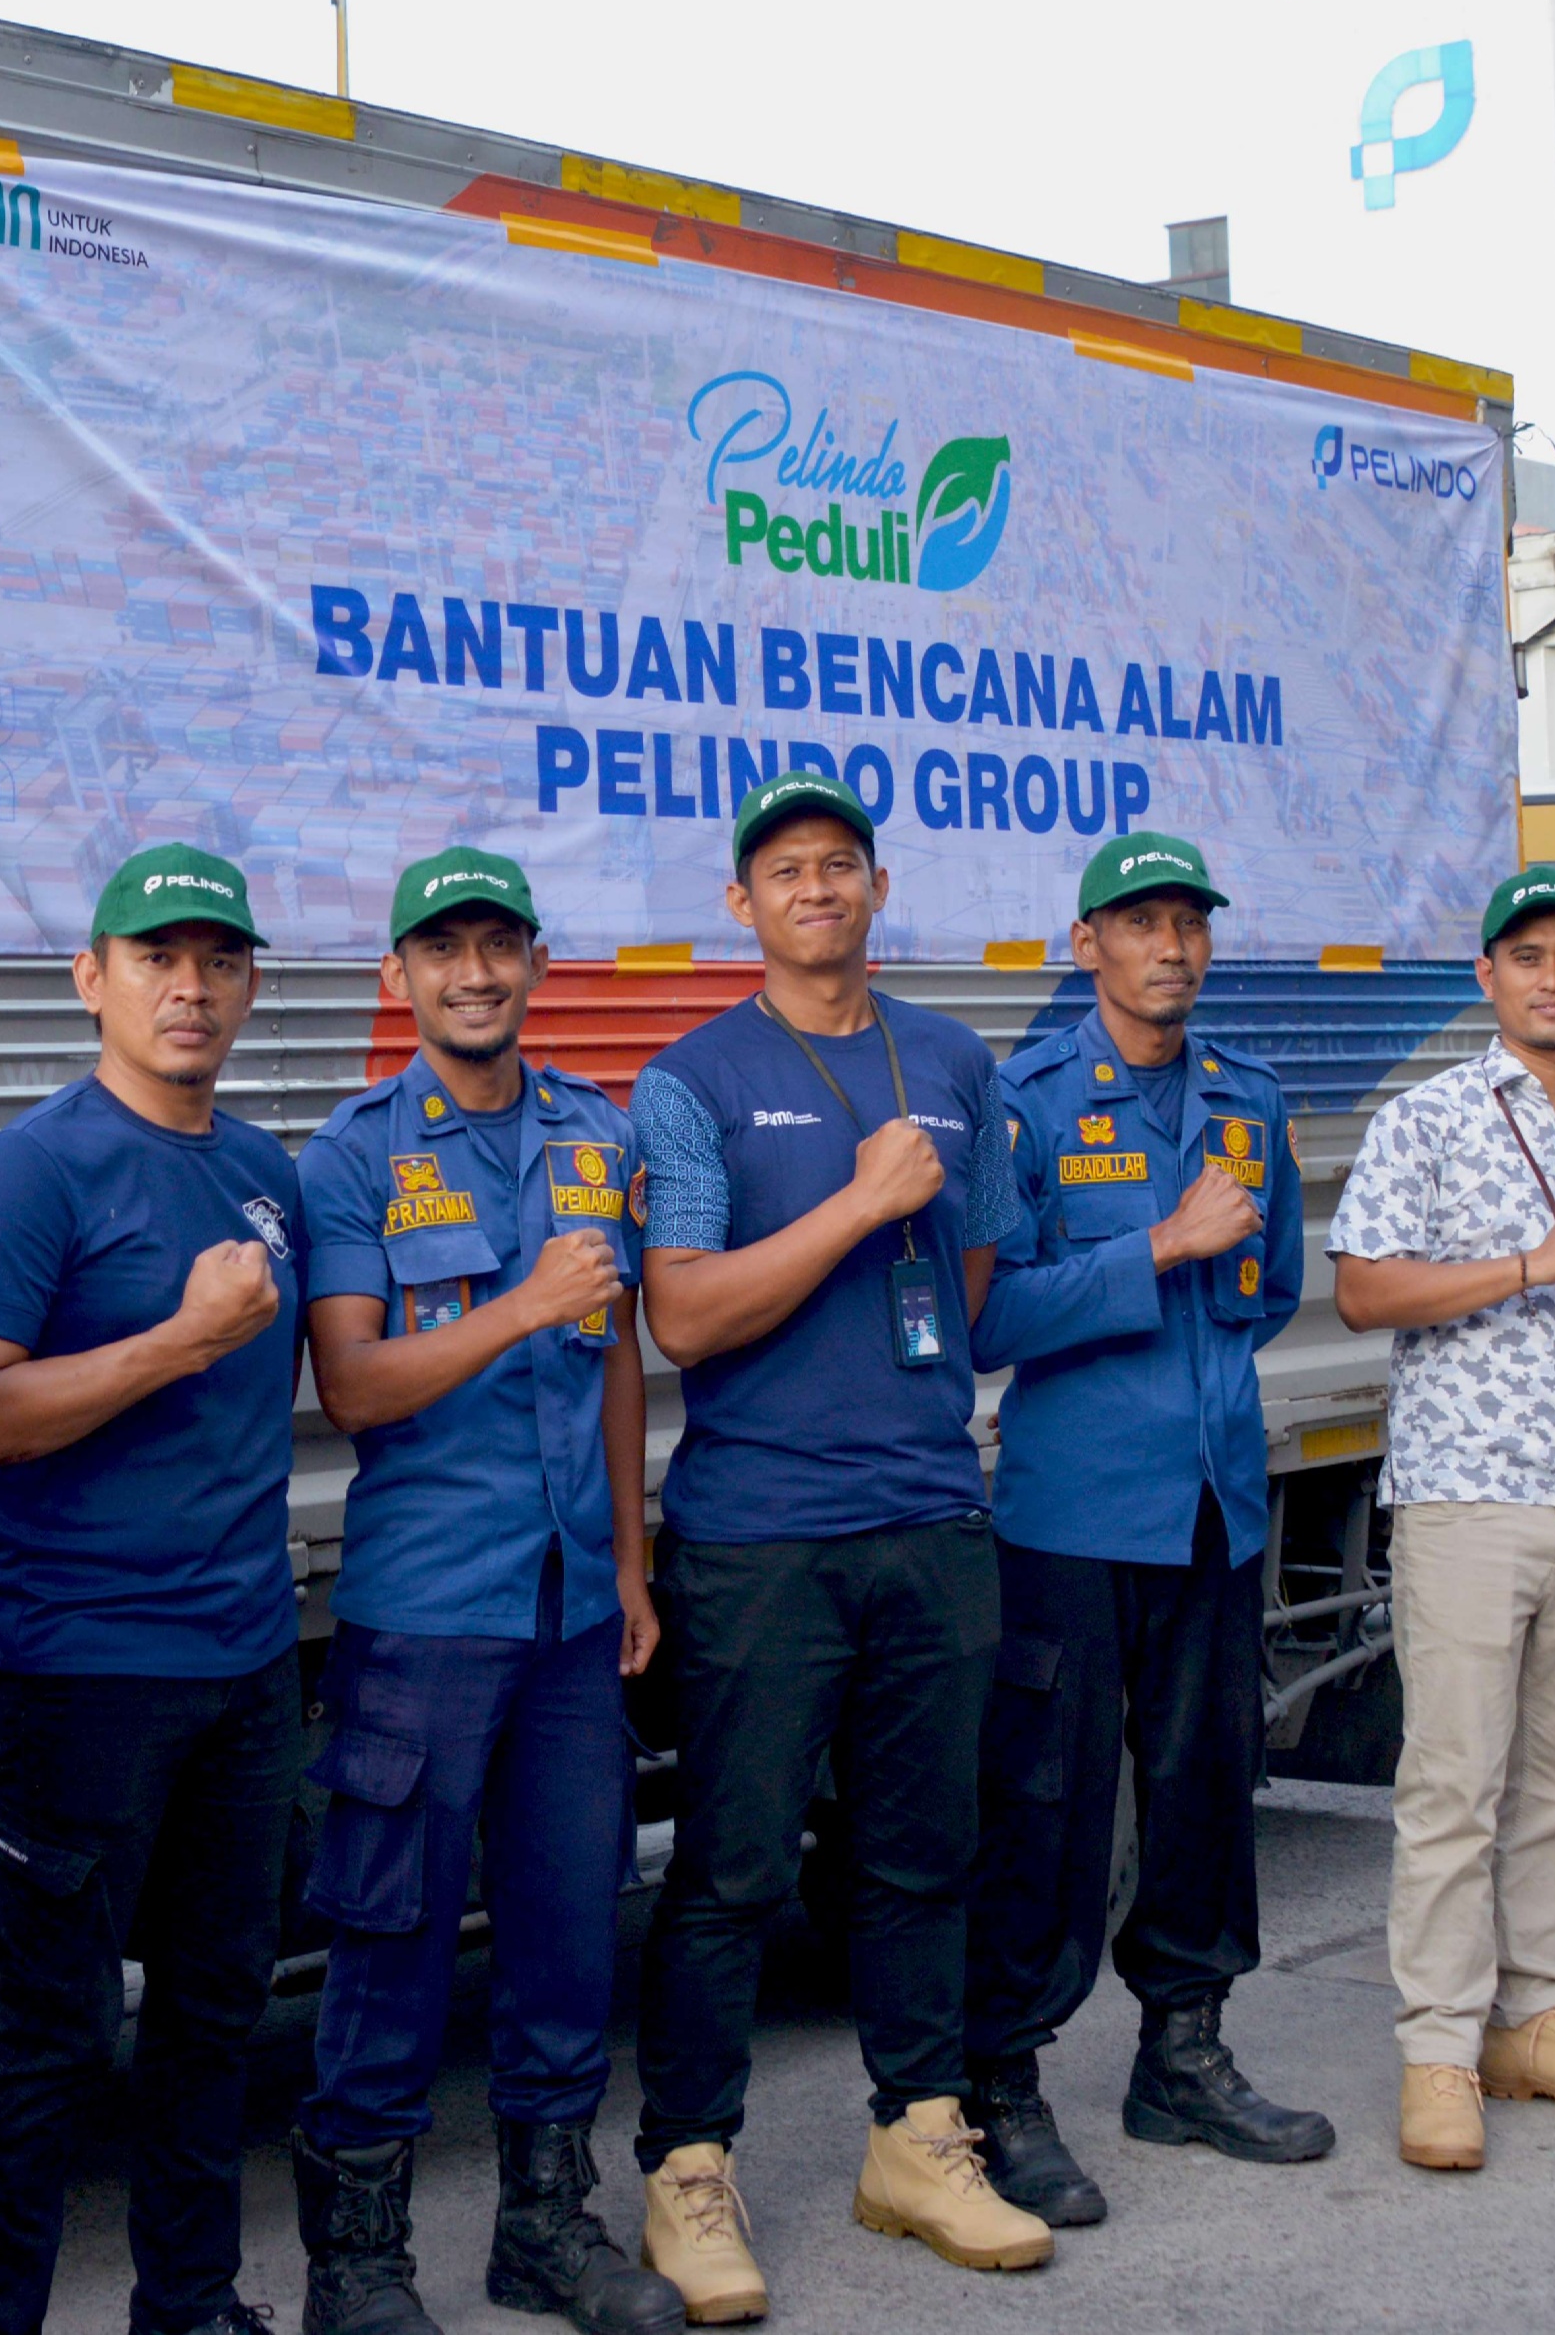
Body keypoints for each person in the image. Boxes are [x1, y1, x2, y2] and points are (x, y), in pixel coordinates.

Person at [627, 763, 1051, 2317]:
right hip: (764, 1540)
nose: (817, 887)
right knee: (732, 1872)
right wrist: (859, 1209)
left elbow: (985, 1266)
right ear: (742, 905)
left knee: (922, 1853)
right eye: (784, 870)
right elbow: (682, 1312)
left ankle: (920, 2138)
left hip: (932, 1518)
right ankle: (687, 2169)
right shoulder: (693, 1080)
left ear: (879, 889)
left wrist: (909, 1219)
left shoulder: (952, 1058)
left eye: (842, 863)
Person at [287, 849, 688, 2335]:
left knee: (572, 1919)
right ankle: (358, 2267)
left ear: (534, 963)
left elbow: (623, 1358)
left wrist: (635, 1563)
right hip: (426, 1612)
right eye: (442, 949)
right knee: (390, 1933)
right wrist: (521, 1305)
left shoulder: (597, 1134)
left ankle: (545, 2229)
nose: (475, 973)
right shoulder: (350, 1157)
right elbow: (352, 1383)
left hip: (575, 1611)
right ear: (401, 976)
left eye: (499, 945)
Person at [0, 842, 310, 2335]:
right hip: (78, 1672)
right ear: (92, 980)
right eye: (157, 958)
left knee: (219, 2014)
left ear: (250, 987)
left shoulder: (263, 1169)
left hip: (244, 1660)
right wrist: (180, 1338)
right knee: (49, 2032)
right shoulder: (37, 1166)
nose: (191, 988)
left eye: (219, 961)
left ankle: (191, 2303)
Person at [958, 831, 1332, 2227]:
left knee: (1203, 1790)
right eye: (1141, 923)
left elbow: (1276, 1278)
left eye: (1188, 924)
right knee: (1048, 1810)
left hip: (1214, 1510)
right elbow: (987, 1321)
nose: (1169, 947)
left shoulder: (1249, 1098)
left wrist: (1199, 1297)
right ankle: (1003, 2084)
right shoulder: (1029, 1103)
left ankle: (1183, 2054)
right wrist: (1154, 1251)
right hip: (1069, 1520)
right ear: (1087, 946)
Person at [1323, 862, 1555, 2174]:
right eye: (1527, 954)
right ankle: (1438, 2045)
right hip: (1466, 1496)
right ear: (1488, 976)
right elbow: (1366, 1292)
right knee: (1451, 1787)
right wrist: (1529, 1265)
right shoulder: (1425, 1122)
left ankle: (1533, 2014)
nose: (1553, 975)